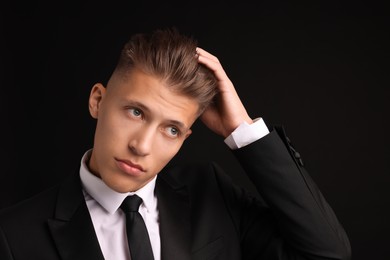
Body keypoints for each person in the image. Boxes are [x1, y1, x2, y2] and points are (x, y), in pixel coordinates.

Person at [0, 28, 351, 260]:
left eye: (171, 130)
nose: (142, 146)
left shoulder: (210, 193)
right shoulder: (14, 235)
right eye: (136, 112)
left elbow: (328, 253)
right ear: (97, 100)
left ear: (185, 137)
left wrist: (241, 129)